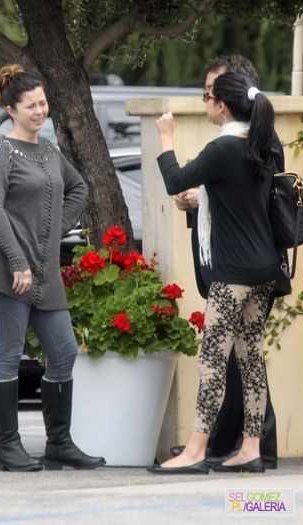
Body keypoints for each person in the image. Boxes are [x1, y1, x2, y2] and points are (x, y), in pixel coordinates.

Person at [0, 64, 106, 472]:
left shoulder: (48, 151)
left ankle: (59, 444)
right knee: (7, 356)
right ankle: (8, 447)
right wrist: (18, 259)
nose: (40, 111)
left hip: (44, 272)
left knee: (64, 352)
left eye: (43, 103)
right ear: (10, 109)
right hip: (7, 271)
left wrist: (53, 232)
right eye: (31, 105)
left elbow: (79, 187)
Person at [148, 71, 280, 474]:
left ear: (222, 105)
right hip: (264, 269)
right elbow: (231, 194)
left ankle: (194, 452)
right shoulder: (261, 145)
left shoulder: (222, 148)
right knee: (250, 358)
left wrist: (166, 136)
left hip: (233, 275)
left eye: (208, 97)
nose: (205, 102)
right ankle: (251, 448)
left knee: (211, 362)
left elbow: (175, 180)